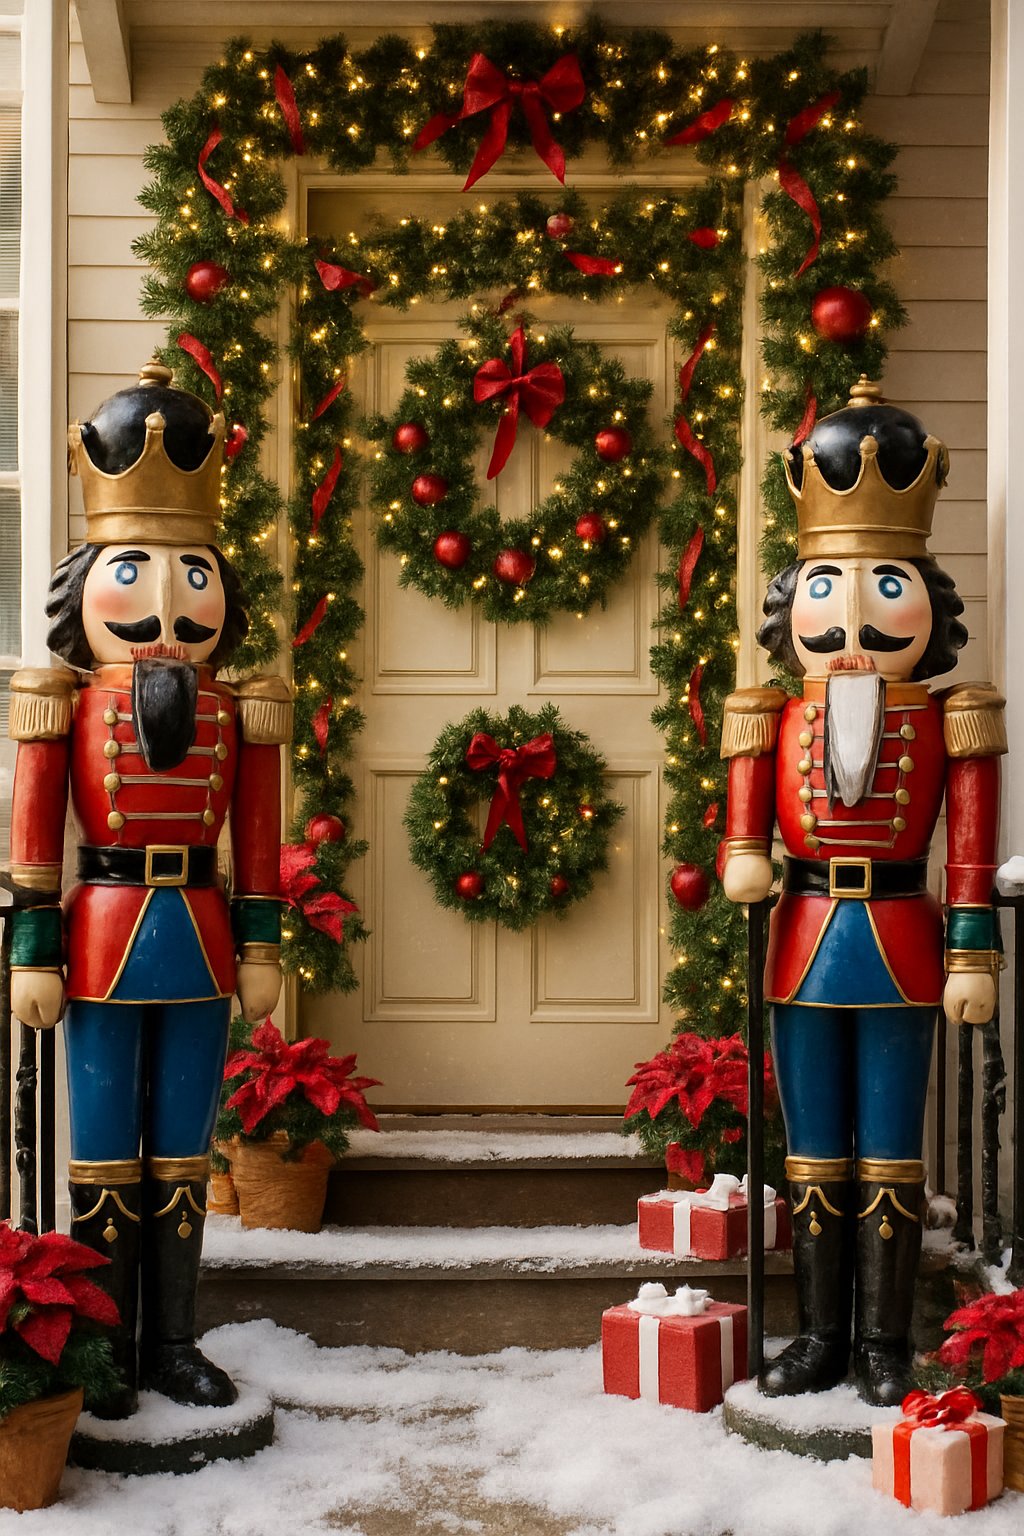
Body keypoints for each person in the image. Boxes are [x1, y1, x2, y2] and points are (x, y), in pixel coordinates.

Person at [6, 361, 290, 1416]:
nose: (168, 603)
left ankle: (173, 1343)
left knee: (181, 1149)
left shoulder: (240, 709)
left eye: (193, 575)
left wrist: (261, 942)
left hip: (202, 935)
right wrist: (32, 948)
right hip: (100, 932)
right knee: (100, 1155)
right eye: (135, 572)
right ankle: (105, 1350)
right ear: (85, 585)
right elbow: (34, 841)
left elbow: (258, 839)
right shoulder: (63, 702)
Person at [720, 377, 1004, 1405]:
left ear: (926, 599)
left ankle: (882, 1344)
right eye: (826, 593)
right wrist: (741, 851)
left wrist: (971, 951)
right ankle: (817, 1338)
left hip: (901, 938)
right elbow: (744, 823)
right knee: (811, 1151)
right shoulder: (768, 711)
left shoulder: (952, 717)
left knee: (888, 1149)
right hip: (802, 935)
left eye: (883, 589)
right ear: (791, 603)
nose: (851, 623)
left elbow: (968, 849)